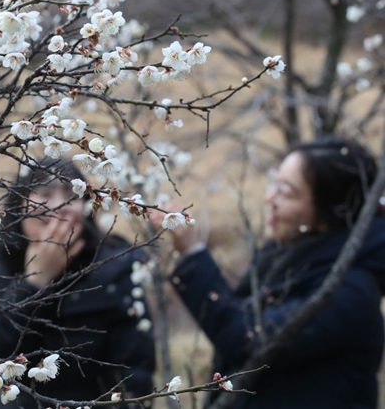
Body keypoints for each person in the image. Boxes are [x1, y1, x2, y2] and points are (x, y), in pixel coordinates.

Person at [150, 137, 385, 409]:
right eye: (274, 182)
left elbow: (248, 340)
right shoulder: (287, 256)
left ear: (327, 213)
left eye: (286, 192)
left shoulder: (351, 291)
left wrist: (193, 255)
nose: (269, 198)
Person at [0, 160, 156, 409]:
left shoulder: (116, 269)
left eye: (71, 195)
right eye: (44, 194)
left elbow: (134, 377)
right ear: (20, 205)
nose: (58, 206)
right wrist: (35, 283)